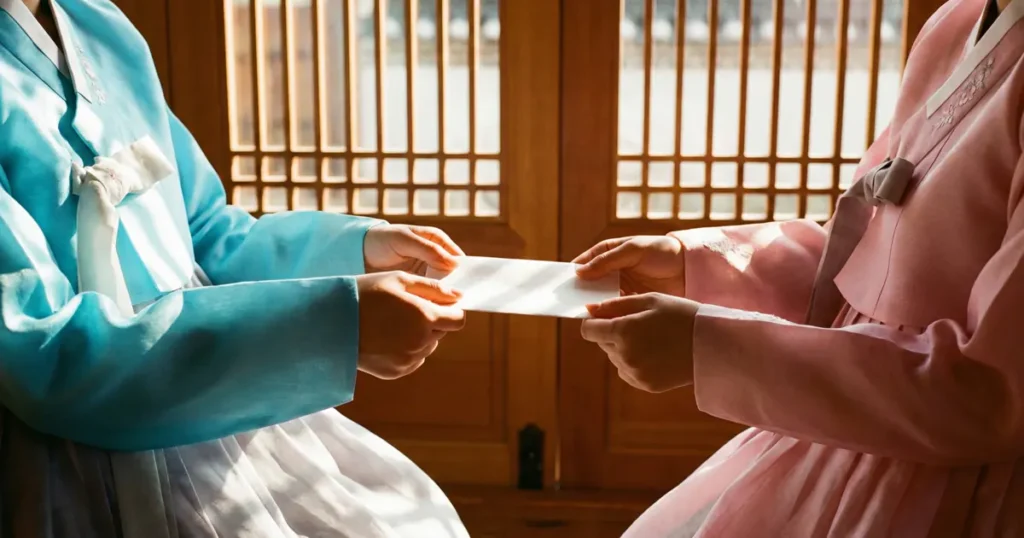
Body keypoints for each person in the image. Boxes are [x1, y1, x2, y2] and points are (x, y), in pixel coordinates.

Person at [0, 0, 471, 536]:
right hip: (73, 459)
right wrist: (331, 325)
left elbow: (204, 232)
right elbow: (46, 354)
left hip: (216, 398)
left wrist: (356, 252)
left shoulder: (99, 25)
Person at [575, 0, 1024, 535]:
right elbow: (868, 245)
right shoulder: (957, 21)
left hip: (953, 491)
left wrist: (717, 350)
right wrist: (697, 265)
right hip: (844, 437)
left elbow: (992, 393)